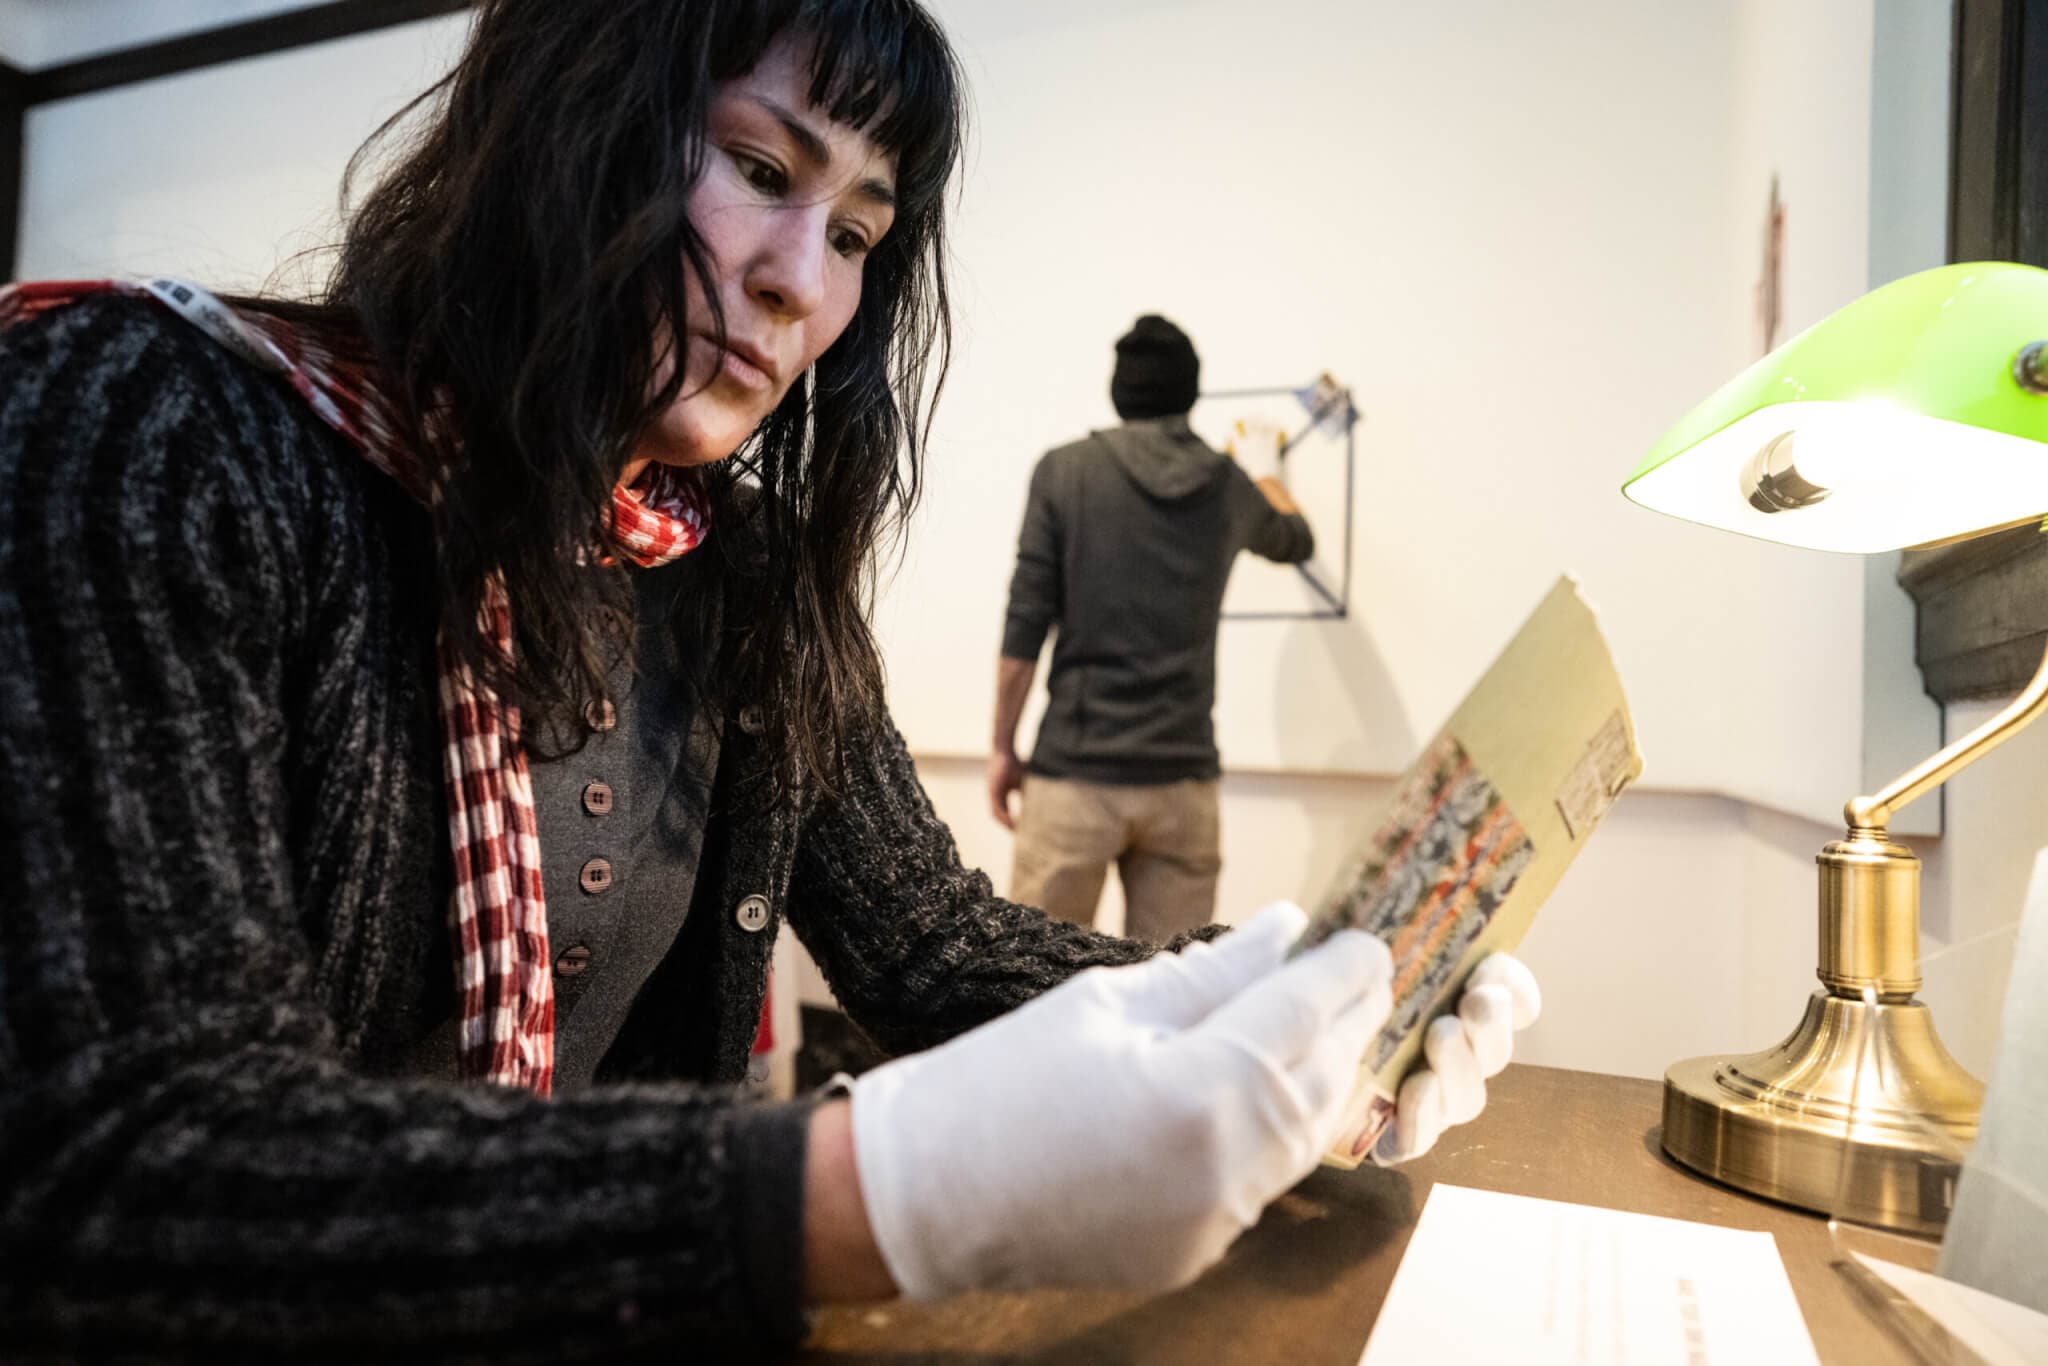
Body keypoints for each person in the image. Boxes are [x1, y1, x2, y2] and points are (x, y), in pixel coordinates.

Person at [0, 1, 1536, 1357]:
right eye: (757, 168)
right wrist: (877, 1189)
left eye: (861, 232)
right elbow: (127, 1159)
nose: (806, 281)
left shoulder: (748, 576)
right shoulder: (149, 428)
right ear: (568, 115)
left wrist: (1287, 1003)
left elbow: (930, 946)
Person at [990, 314, 1314, 941]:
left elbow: (1024, 626)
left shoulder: (1065, 472)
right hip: (1182, 787)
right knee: (1173, 996)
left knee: (1034, 993)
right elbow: (1297, 539)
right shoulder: (1229, 487)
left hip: (1073, 781)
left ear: (1119, 392)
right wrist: (1264, 468)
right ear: (1190, 394)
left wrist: (1003, 747)